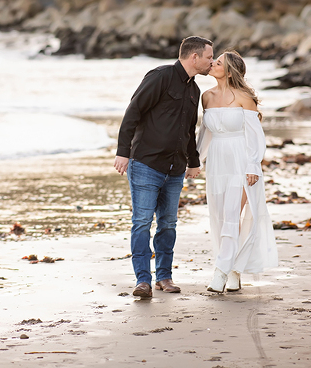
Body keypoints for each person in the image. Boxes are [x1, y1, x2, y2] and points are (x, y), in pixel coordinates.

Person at [114, 36, 214, 298]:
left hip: (175, 168)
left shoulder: (195, 91)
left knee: (168, 224)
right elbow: (133, 112)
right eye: (208, 57)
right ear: (194, 57)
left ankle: (164, 277)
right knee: (142, 222)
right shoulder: (160, 76)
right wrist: (123, 152)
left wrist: (193, 161)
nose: (211, 62)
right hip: (146, 162)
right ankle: (143, 281)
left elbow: (189, 132)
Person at [197, 50, 278, 292]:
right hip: (217, 163)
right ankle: (234, 269)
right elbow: (205, 134)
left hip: (242, 162)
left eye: (218, 62)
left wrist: (253, 165)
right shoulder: (206, 97)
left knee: (233, 215)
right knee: (221, 218)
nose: (212, 64)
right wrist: (194, 161)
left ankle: (220, 273)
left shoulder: (244, 97)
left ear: (229, 70)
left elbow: (255, 136)